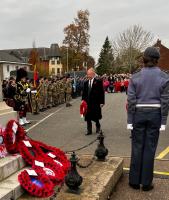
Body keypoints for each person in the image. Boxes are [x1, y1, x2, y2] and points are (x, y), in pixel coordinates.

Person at [127, 47, 169, 191]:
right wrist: (163, 121)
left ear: (144, 58)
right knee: (150, 148)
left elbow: (131, 100)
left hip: (138, 113)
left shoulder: (135, 76)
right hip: (155, 114)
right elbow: (165, 101)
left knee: (137, 147)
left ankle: (133, 180)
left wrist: (130, 120)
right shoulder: (164, 77)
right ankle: (146, 183)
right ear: (157, 59)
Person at [82, 68, 105, 135]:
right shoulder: (85, 83)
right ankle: (89, 130)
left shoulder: (98, 82)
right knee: (88, 117)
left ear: (93, 74)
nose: (88, 75)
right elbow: (84, 93)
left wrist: (102, 102)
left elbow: (101, 93)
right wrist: (83, 101)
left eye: (89, 74)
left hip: (95, 102)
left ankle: (98, 127)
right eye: (87, 74)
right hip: (87, 103)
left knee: (96, 116)